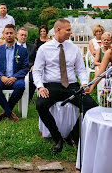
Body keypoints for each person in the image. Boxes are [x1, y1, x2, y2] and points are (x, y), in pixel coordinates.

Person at [33, 19, 98, 153]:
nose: (71, 32)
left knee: (91, 106)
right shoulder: (44, 49)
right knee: (40, 104)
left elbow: (80, 69)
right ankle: (57, 138)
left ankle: (73, 135)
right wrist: (40, 87)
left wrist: (84, 83)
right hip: (51, 85)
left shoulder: (73, 48)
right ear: (58, 30)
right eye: (68, 30)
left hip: (71, 86)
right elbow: (37, 71)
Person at [0, 24, 29, 122]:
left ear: (15, 34)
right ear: (3, 34)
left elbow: (25, 68)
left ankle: (6, 112)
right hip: (1, 78)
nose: (9, 35)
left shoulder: (22, 51)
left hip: (15, 79)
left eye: (11, 33)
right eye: (7, 33)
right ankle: (9, 112)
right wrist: (1, 76)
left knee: (20, 86)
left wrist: (14, 77)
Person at [16, 28, 37, 101]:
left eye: (25, 35)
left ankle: (28, 98)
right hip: (16, 70)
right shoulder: (12, 47)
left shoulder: (32, 47)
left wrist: (34, 66)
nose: (23, 37)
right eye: (22, 35)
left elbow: (37, 60)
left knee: (34, 78)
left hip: (29, 69)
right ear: (17, 35)